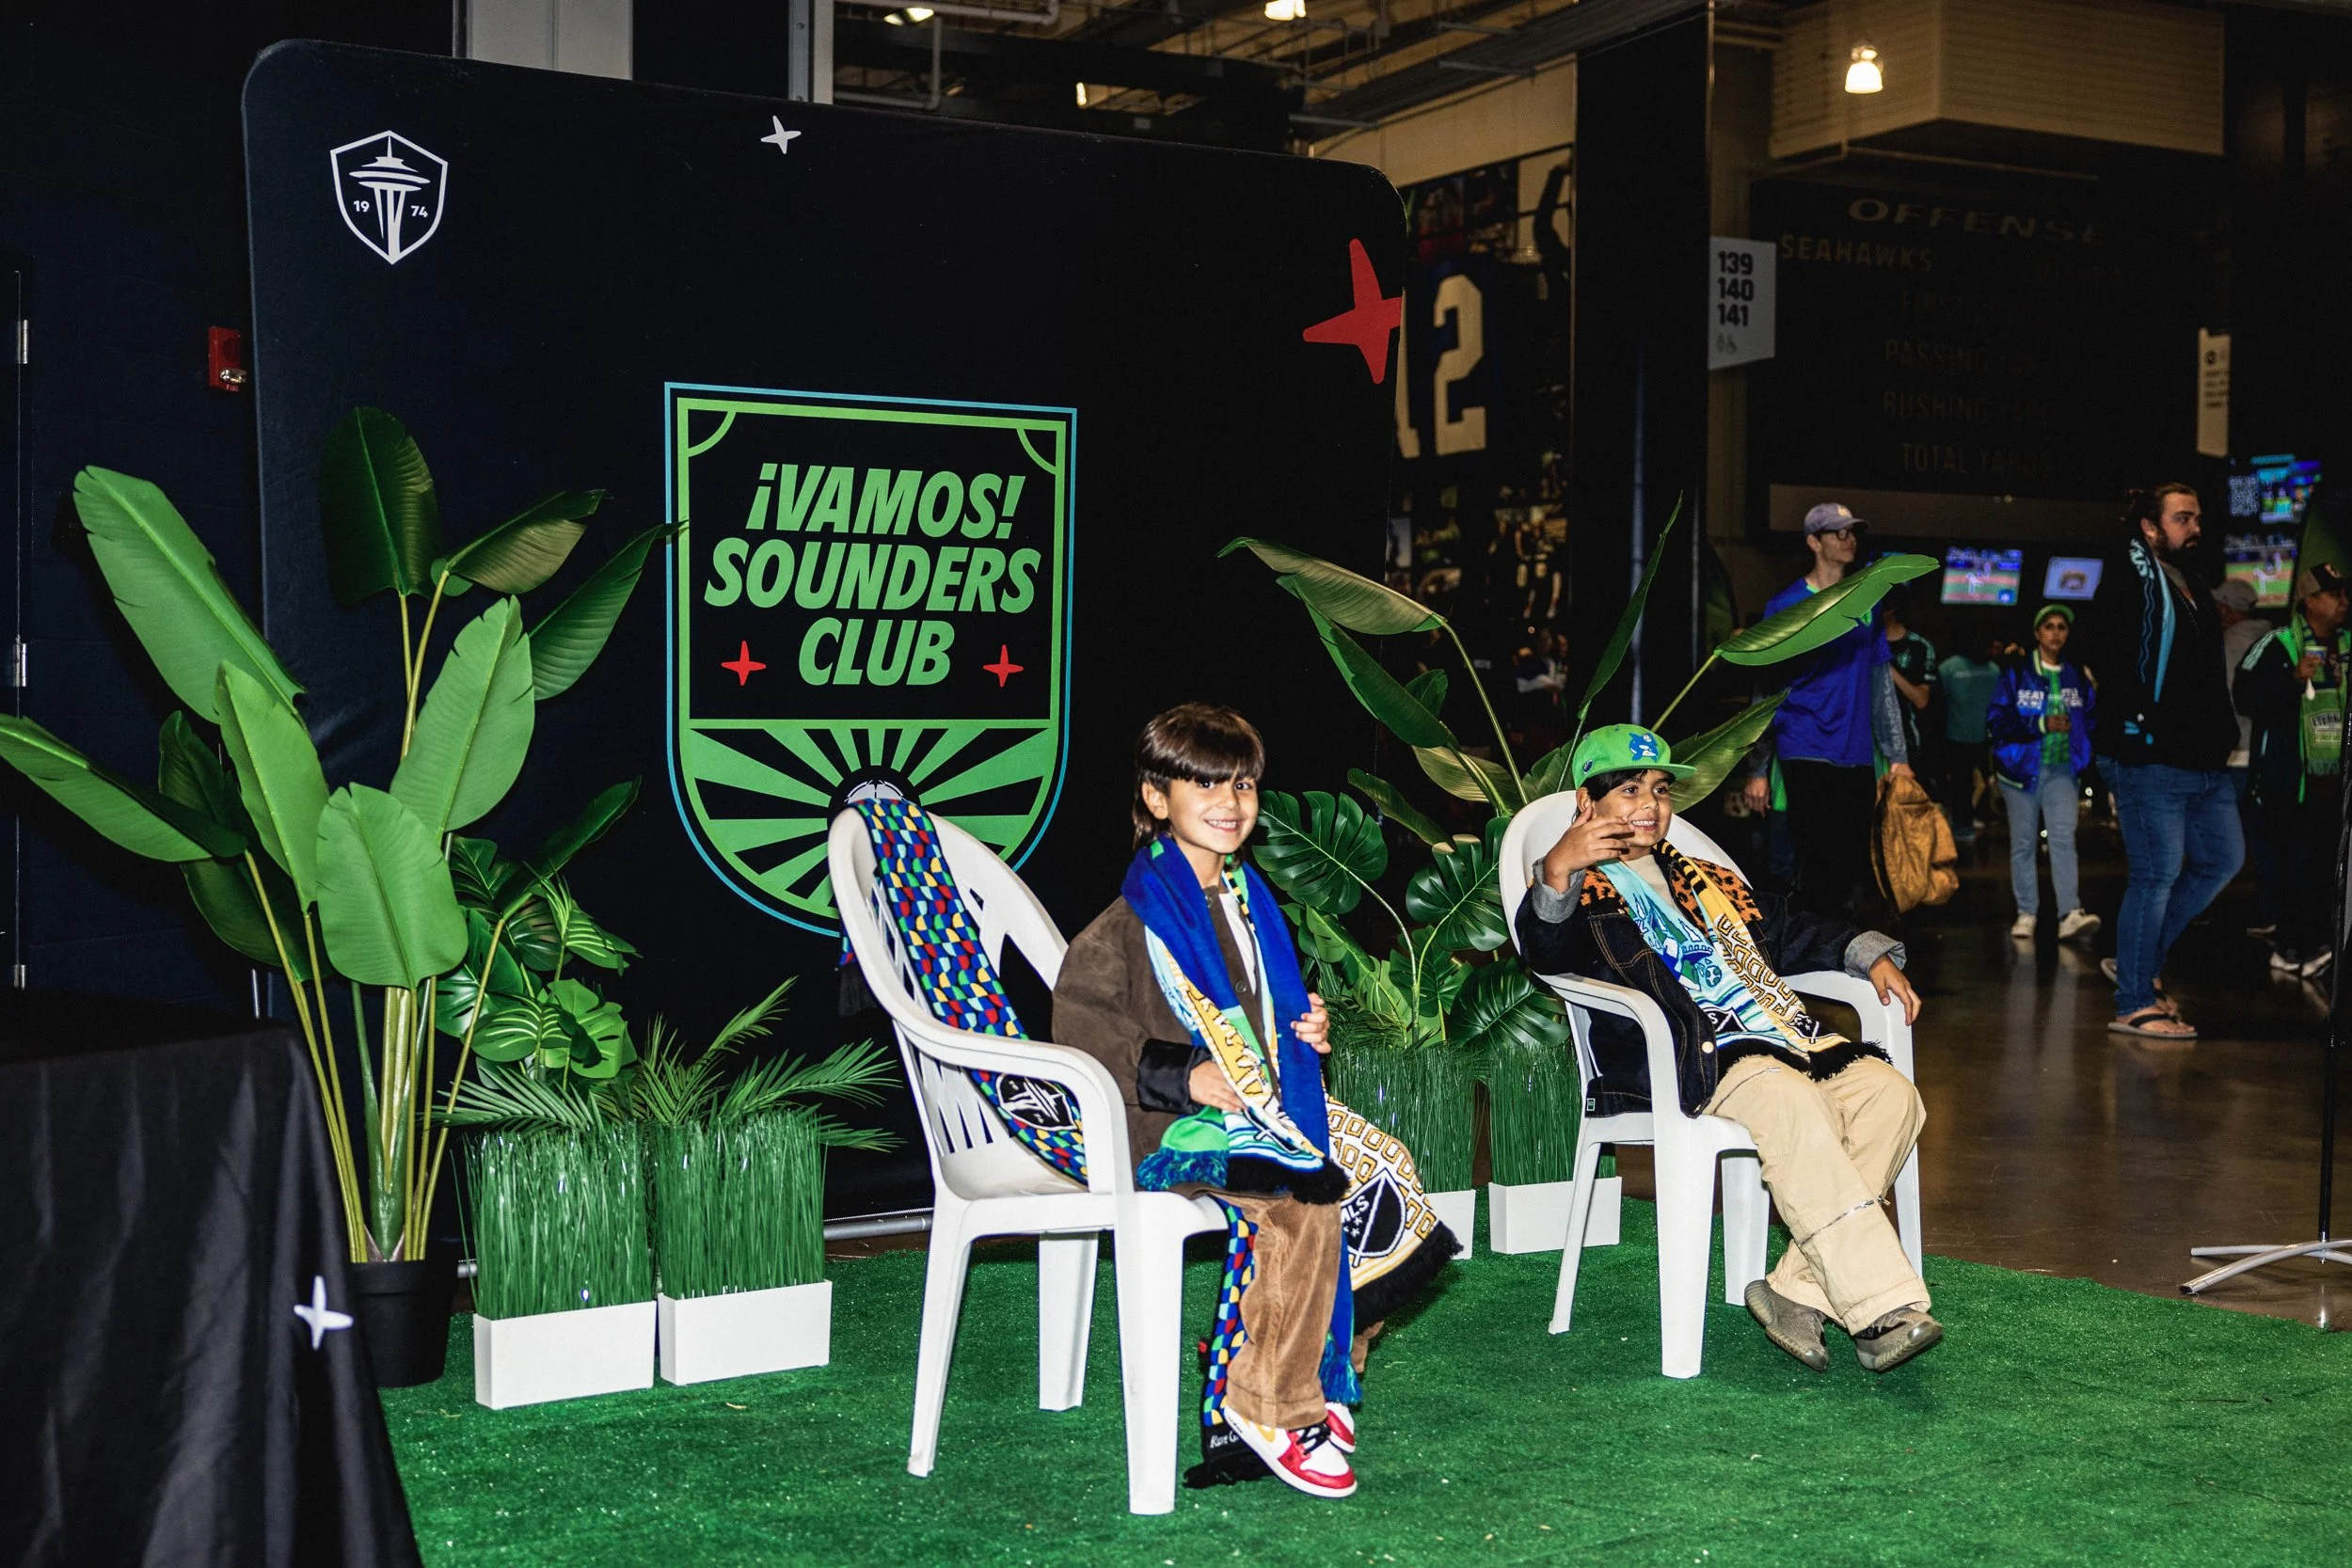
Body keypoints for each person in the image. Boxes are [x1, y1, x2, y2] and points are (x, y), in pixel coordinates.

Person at [1052, 705, 1456, 1498]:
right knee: (1302, 1195)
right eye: (1202, 781)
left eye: (1241, 782)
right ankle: (1268, 1405)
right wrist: (1185, 1075)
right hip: (1169, 1127)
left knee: (1385, 1174)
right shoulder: (1128, 921)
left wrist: (1306, 1027)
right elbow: (1080, 1038)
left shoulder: (1248, 904)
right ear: (1155, 796)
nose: (1229, 799)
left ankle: (1316, 1370)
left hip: (1257, 1111)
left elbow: (1265, 1017)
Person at [1519, 724, 1940, 1374]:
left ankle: (1796, 1291)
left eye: (1659, 790)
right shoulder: (1584, 889)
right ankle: (1883, 1309)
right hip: (1691, 1056)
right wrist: (1557, 868)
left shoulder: (1705, 878)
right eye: (1628, 789)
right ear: (1586, 804)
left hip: (1781, 1041)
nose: (1650, 805)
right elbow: (1547, 955)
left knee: (1893, 1096)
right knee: (1790, 1098)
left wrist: (1866, 953)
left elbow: (1786, 927)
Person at [2082, 484, 2242, 1040]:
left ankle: (2138, 963)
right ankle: (2132, 1000)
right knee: (2155, 877)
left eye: (2197, 517)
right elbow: (2099, 652)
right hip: (2149, 758)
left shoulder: (2189, 581)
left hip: (2202, 760)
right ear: (2150, 527)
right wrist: (2141, 726)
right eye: (2183, 517)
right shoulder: (2128, 578)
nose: (2194, 526)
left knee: (2223, 859)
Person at [1742, 502, 1915, 918]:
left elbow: (1880, 684)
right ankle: (1815, 959)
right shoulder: (1785, 606)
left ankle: (1839, 956)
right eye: (1838, 533)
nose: (1848, 539)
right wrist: (1757, 769)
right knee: (1814, 859)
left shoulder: (1867, 604)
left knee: (1850, 861)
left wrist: (1898, 756)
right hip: (1803, 743)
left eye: (1852, 531)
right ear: (1813, 542)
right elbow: (1766, 691)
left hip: (1855, 751)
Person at [2234, 562, 2350, 981]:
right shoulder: (2277, 643)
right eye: (2335, 594)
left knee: (2324, 867)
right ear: (2311, 600)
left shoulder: (2348, 644)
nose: (2343, 603)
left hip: (2336, 782)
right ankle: (2292, 946)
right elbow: (2244, 695)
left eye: (2343, 594)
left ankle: (2316, 943)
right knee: (2294, 865)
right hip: (2291, 780)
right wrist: (2291, 679)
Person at [1987, 606, 2100, 942]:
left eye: (2061, 627)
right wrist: (2039, 724)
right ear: (2037, 633)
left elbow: (2091, 717)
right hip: (2019, 771)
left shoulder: (2077, 674)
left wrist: (2084, 748)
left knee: (2064, 839)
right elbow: (1996, 719)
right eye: (2048, 626)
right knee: (2023, 843)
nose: (2055, 633)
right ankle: (2027, 913)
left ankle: (2070, 913)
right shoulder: (2016, 674)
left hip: (2062, 771)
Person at [2214, 577, 2280, 938]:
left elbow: (2225, 702)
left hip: (2236, 754)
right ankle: (2271, 910)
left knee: (2216, 838)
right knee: (2265, 836)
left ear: (2226, 609)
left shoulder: (2227, 644)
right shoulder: (2275, 639)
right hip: (2271, 754)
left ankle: (2202, 907)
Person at [1936, 634, 2007, 843]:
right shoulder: (1953, 669)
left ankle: (1967, 822)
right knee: (1967, 784)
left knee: (1970, 784)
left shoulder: (1950, 668)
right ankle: (1963, 822)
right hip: (1962, 738)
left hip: (1975, 739)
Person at [1883, 589, 1939, 768]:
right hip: (1865, 735)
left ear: (1889, 610)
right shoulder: (1863, 644)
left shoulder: (1919, 646)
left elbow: (1921, 700)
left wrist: (1885, 668)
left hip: (1905, 736)